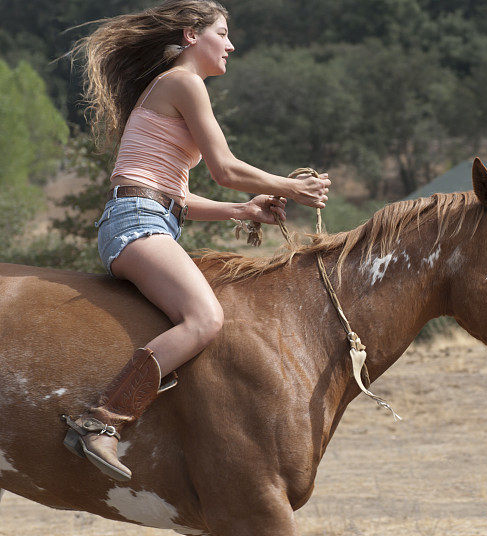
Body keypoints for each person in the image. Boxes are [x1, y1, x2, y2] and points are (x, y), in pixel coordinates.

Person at [61, 0, 331, 482]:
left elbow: (178, 196)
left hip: (147, 216)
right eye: (222, 33)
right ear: (191, 36)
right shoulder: (184, 82)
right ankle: (100, 422)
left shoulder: (176, 88)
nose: (231, 44)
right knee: (205, 319)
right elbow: (225, 169)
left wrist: (243, 210)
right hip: (136, 221)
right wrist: (291, 187)